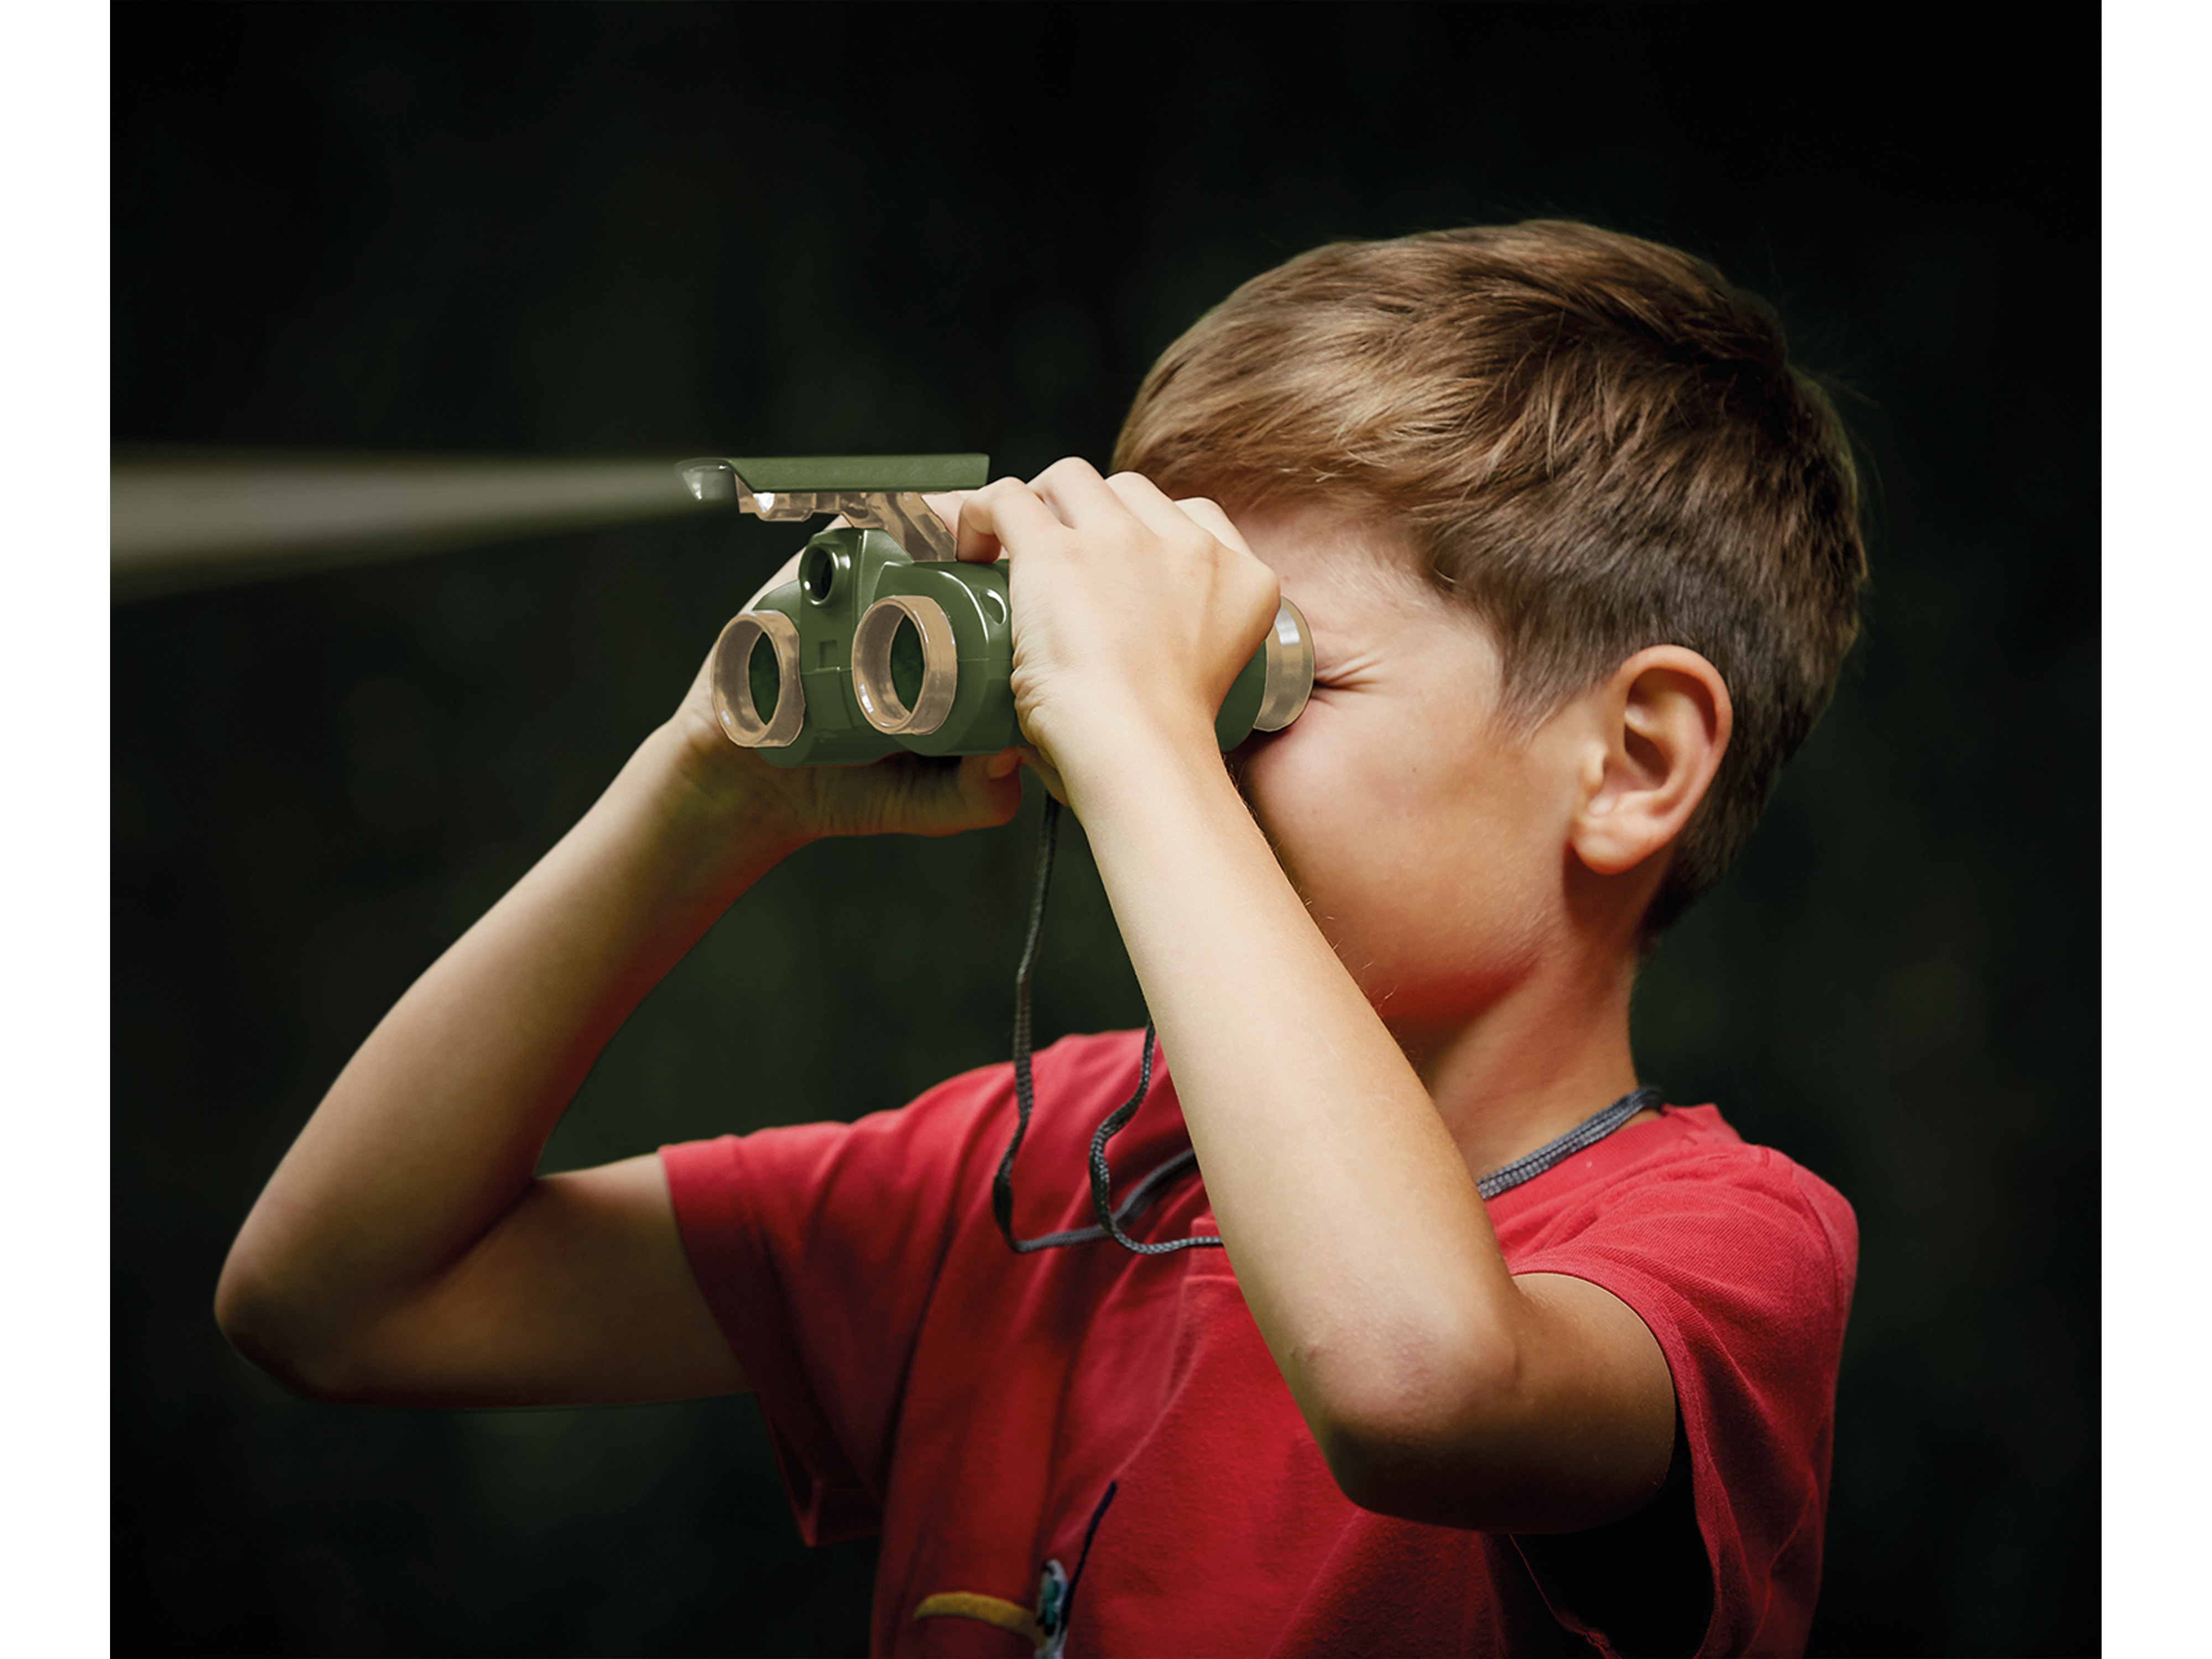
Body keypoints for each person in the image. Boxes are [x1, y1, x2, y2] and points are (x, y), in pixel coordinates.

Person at [216, 221, 1865, 1658]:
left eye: (1254, 681)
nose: (1159, 742)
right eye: (1156, 677)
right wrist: (705, 798)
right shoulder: (1040, 1177)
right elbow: (340, 1299)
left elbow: (1416, 1386)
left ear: (1633, 762)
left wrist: (1141, 732)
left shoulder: (1728, 1251)